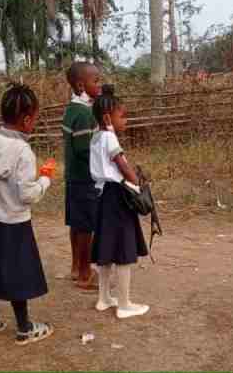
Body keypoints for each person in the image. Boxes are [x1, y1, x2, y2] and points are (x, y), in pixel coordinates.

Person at [0, 83, 56, 345]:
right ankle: (24, 328)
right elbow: (26, 195)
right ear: (27, 119)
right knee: (18, 274)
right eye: (35, 119)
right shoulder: (23, 152)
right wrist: (45, 180)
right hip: (16, 223)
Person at [89, 84, 150, 319]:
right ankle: (124, 305)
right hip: (117, 196)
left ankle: (104, 298)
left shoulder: (96, 137)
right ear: (108, 117)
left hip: (103, 197)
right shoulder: (109, 136)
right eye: (122, 116)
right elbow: (121, 164)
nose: (126, 120)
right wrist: (137, 183)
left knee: (106, 247)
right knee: (124, 249)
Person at [62, 62, 102, 290]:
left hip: (73, 177)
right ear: (80, 85)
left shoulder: (72, 109)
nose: (99, 84)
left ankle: (76, 266)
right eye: (95, 81)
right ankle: (86, 274)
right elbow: (84, 149)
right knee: (86, 226)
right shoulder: (85, 115)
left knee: (77, 224)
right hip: (86, 178)